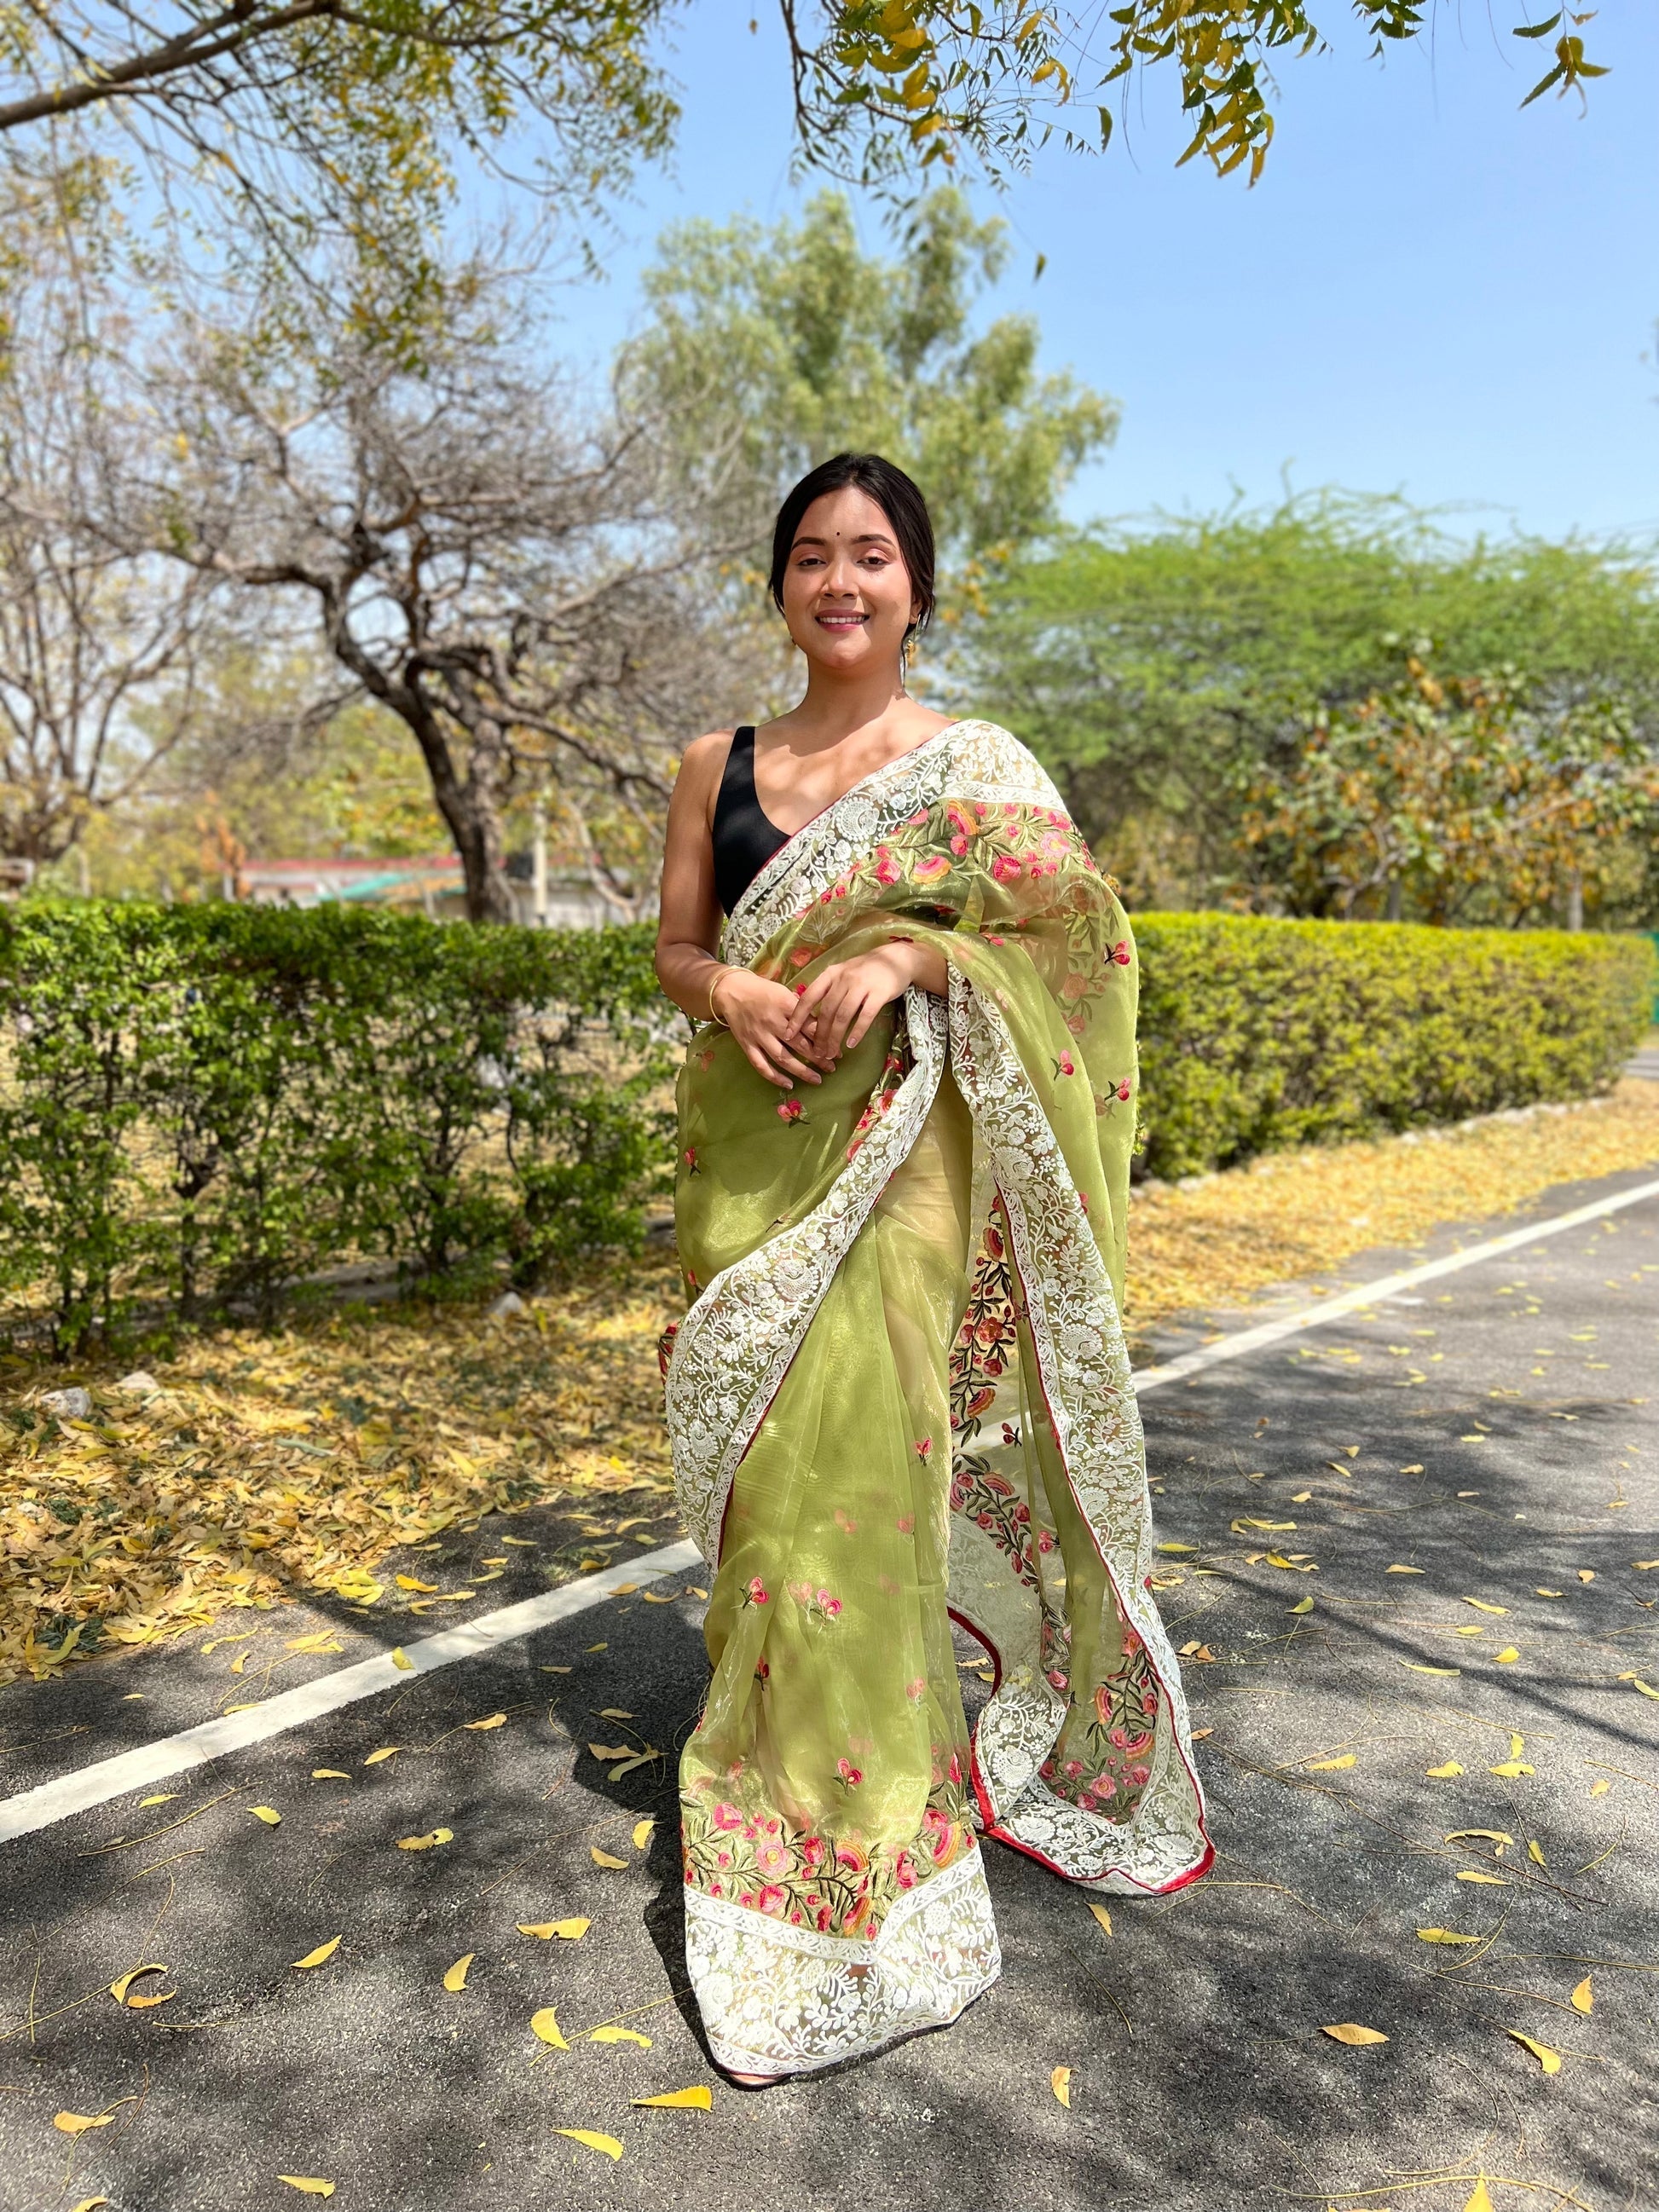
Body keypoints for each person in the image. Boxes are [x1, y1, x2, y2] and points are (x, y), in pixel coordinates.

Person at [654, 452, 1210, 2085]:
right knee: (767, 1482)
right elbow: (680, 945)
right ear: (778, 582)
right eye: (812, 555)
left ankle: (852, 1818)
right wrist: (728, 994)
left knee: (855, 1471)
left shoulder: (969, 769)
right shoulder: (715, 762)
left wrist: (911, 950)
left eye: (872, 555)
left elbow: (1078, 943)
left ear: (917, 586)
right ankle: (788, 1745)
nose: (841, 580)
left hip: (900, 1162)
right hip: (746, 1155)